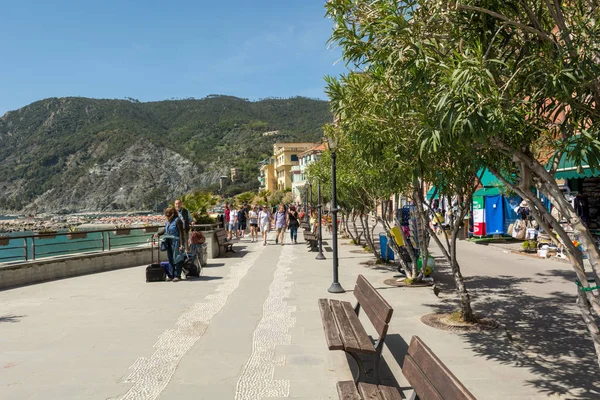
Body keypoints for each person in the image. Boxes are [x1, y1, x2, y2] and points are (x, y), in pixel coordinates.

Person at [156, 207, 185, 282]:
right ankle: (171, 275)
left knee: (178, 259)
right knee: (170, 259)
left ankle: (177, 275)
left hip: (176, 242)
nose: (167, 216)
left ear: (172, 213)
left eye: (168, 214)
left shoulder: (178, 220)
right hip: (168, 242)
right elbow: (165, 230)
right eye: (166, 215)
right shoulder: (168, 222)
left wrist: (182, 244)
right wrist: (158, 234)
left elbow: (181, 233)